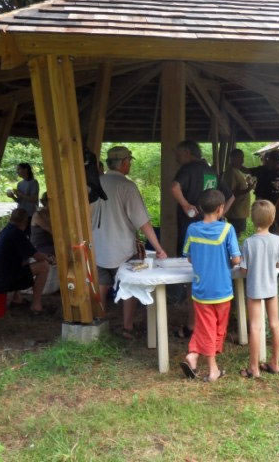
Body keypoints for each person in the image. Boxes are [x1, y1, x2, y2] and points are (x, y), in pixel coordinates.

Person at [92, 146, 167, 338]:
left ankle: (97, 322)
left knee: (102, 283)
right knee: (130, 286)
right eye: (130, 162)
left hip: (98, 245)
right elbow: (143, 222)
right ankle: (127, 327)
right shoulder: (127, 186)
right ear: (124, 163)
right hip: (122, 247)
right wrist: (158, 248)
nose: (130, 165)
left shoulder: (94, 183)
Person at [170, 140, 234, 337]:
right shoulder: (211, 170)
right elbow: (230, 196)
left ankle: (193, 324)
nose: (176, 158)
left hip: (193, 230)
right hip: (215, 230)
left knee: (192, 274)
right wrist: (221, 217)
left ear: (188, 153)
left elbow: (174, 187)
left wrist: (185, 205)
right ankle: (214, 326)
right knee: (215, 272)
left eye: (178, 154)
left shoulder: (188, 168)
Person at [179, 190, 241, 382]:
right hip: (222, 290)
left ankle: (194, 355)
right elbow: (236, 259)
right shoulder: (227, 229)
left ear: (199, 209)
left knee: (205, 326)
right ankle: (213, 369)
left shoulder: (192, 229)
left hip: (200, 290)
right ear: (221, 208)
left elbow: (188, 256)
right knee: (216, 329)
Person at [239, 200, 279, 378]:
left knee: (255, 327)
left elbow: (244, 270)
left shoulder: (249, 243)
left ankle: (254, 368)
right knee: (275, 324)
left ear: (252, 219)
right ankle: (274, 363)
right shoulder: (277, 240)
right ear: (273, 219)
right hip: (271, 289)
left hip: (254, 289)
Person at [0, 208, 53, 314]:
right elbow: (39, 258)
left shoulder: (6, 231)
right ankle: (36, 306)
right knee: (44, 266)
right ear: (25, 222)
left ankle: (17, 299)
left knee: (21, 264)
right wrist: (50, 259)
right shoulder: (17, 234)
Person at [222, 149, 254, 238]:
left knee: (237, 234)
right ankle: (232, 251)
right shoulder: (231, 172)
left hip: (239, 211)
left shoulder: (236, 171)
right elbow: (230, 193)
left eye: (242, 158)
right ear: (233, 158)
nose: (242, 160)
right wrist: (248, 190)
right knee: (235, 235)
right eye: (240, 158)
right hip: (236, 212)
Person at [7, 163, 39, 232]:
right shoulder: (20, 184)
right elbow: (19, 201)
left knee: (30, 233)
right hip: (21, 214)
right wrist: (12, 196)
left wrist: (20, 194)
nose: (17, 171)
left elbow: (34, 199)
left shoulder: (33, 182)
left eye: (19, 169)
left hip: (30, 213)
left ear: (26, 170)